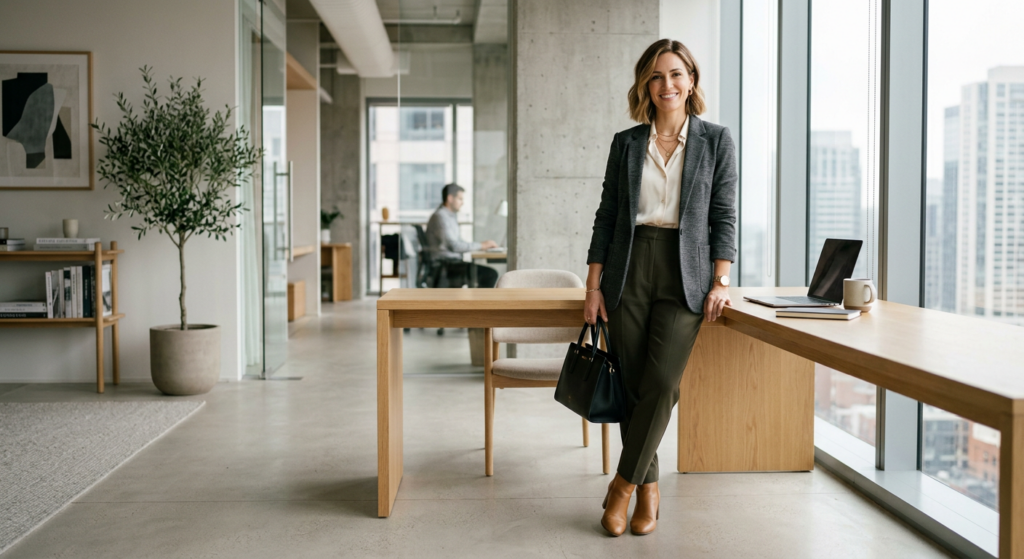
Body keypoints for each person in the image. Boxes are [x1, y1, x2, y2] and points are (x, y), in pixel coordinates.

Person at [584, 39, 737, 537]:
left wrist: (721, 279)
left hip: (685, 273)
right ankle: (649, 493)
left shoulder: (716, 141)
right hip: (628, 269)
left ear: (691, 80)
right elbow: (607, 217)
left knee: (663, 383)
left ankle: (622, 487)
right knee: (632, 386)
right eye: (656, 76)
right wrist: (592, 286)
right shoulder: (626, 143)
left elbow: (723, 215)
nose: (666, 84)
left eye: (675, 74)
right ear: (644, 86)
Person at [425, 183, 499, 288]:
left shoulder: (449, 216)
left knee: (487, 273)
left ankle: (476, 303)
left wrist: (481, 245)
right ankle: (479, 304)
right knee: (490, 274)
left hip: (452, 264)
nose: (462, 203)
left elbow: (459, 241)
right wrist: (481, 245)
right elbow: (454, 246)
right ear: (450, 198)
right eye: (460, 199)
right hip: (446, 266)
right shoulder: (440, 217)